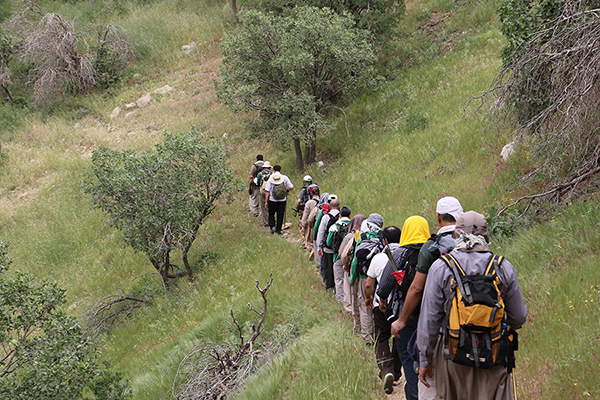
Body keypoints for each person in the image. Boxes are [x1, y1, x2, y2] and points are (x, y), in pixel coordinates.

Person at [417, 211, 527, 400]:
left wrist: (425, 359)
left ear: (456, 235)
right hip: (494, 353)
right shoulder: (503, 266)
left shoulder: (441, 267)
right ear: (485, 236)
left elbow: (429, 320)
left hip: (453, 355)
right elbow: (519, 317)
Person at [390, 196, 463, 398]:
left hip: (440, 327)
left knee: (430, 383)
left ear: (438, 218)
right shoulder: (475, 244)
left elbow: (416, 289)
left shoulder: (431, 248)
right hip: (476, 325)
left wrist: (402, 320)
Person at [377, 215, 430, 400]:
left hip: (405, 316)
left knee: (409, 359)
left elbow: (384, 284)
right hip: (433, 315)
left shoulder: (400, 253)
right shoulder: (434, 251)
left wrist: (382, 299)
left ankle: (415, 396)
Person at [364, 225, 403, 394]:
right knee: (399, 338)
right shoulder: (407, 255)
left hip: (382, 304)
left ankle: (386, 369)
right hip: (401, 306)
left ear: (384, 241)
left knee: (381, 338)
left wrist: (368, 297)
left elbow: (368, 283)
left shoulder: (379, 258)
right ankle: (394, 371)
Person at [349, 213, 384, 345]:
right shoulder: (382, 238)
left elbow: (354, 261)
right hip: (380, 278)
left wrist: (353, 277)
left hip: (364, 277)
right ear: (381, 225)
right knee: (377, 306)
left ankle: (368, 338)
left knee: (365, 306)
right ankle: (379, 334)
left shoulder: (362, 238)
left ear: (368, 224)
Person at [340, 214, 366, 322]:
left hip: (352, 270)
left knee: (352, 295)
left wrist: (346, 266)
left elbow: (343, 254)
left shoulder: (352, 236)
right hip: (367, 274)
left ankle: (354, 317)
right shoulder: (370, 237)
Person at [326, 205, 352, 302]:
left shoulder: (334, 227)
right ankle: (349, 300)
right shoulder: (353, 227)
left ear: (339, 215)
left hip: (337, 256)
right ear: (350, 216)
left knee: (339, 280)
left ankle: (340, 300)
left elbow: (328, 243)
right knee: (349, 279)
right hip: (350, 258)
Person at [317, 199, 341, 290]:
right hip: (339, 249)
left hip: (327, 248)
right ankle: (337, 287)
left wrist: (319, 246)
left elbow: (321, 233)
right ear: (339, 206)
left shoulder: (326, 217)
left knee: (328, 267)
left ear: (330, 207)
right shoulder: (341, 217)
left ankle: (329, 286)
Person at [263, 165, 294, 235]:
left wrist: (266, 201)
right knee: (280, 215)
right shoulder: (285, 178)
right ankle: (278, 230)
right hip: (282, 200)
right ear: (280, 170)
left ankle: (272, 226)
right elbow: (291, 187)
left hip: (272, 200)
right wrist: (286, 190)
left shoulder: (271, 178)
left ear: (273, 170)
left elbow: (267, 191)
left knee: (271, 213)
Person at [301, 185, 320, 250]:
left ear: (311, 193)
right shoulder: (322, 201)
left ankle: (311, 250)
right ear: (319, 193)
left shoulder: (309, 203)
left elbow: (305, 216)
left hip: (311, 225)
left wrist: (303, 226)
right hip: (319, 223)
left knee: (309, 241)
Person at [257, 161, 272, 227]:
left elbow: (257, 182)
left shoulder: (260, 174)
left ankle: (266, 223)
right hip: (271, 192)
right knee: (271, 207)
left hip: (262, 192)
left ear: (263, 167)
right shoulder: (273, 173)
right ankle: (271, 220)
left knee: (263, 207)